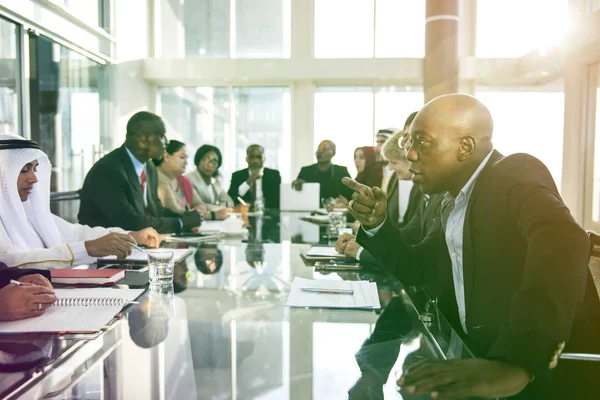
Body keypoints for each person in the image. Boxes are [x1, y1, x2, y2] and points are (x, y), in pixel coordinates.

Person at [344, 94, 600, 399]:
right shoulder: (452, 200)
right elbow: (419, 270)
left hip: (546, 378)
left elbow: (564, 241)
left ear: (464, 147)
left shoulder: (515, 172)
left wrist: (516, 362)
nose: (410, 155)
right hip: (474, 357)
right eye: (408, 145)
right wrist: (378, 224)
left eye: (421, 142)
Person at [0, 134, 160, 269]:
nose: (34, 178)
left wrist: (130, 236)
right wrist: (87, 249)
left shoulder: (29, 210)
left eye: (34, 169)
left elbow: (76, 234)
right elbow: (13, 261)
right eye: (23, 170)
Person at [78, 112, 202, 233]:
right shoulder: (108, 171)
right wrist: (181, 223)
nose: (166, 142)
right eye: (162, 136)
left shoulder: (149, 167)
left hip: (134, 244)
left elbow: (156, 209)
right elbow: (131, 222)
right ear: (145, 139)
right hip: (105, 248)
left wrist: (183, 216)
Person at [336, 130, 415, 261]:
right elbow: (405, 233)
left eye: (394, 163)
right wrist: (366, 239)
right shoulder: (398, 180)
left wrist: (362, 250)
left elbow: (412, 241)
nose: (390, 167)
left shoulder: (413, 185)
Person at [154, 140, 207, 215]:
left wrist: (198, 211)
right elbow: (174, 213)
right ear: (166, 157)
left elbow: (200, 204)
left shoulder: (183, 181)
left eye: (186, 158)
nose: (186, 162)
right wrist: (211, 215)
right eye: (182, 157)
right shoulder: (156, 178)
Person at [185, 145, 234, 220]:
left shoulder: (215, 181)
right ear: (198, 160)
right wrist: (221, 209)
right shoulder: (189, 179)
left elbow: (229, 202)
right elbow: (200, 205)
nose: (210, 165)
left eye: (214, 162)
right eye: (205, 159)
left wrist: (220, 208)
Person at [227, 145, 281, 210]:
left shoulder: (273, 175)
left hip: (268, 211)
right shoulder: (237, 175)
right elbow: (231, 197)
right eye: (252, 157)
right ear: (247, 159)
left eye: (259, 157)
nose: (255, 161)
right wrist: (249, 181)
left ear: (264, 159)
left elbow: (278, 198)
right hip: (245, 211)